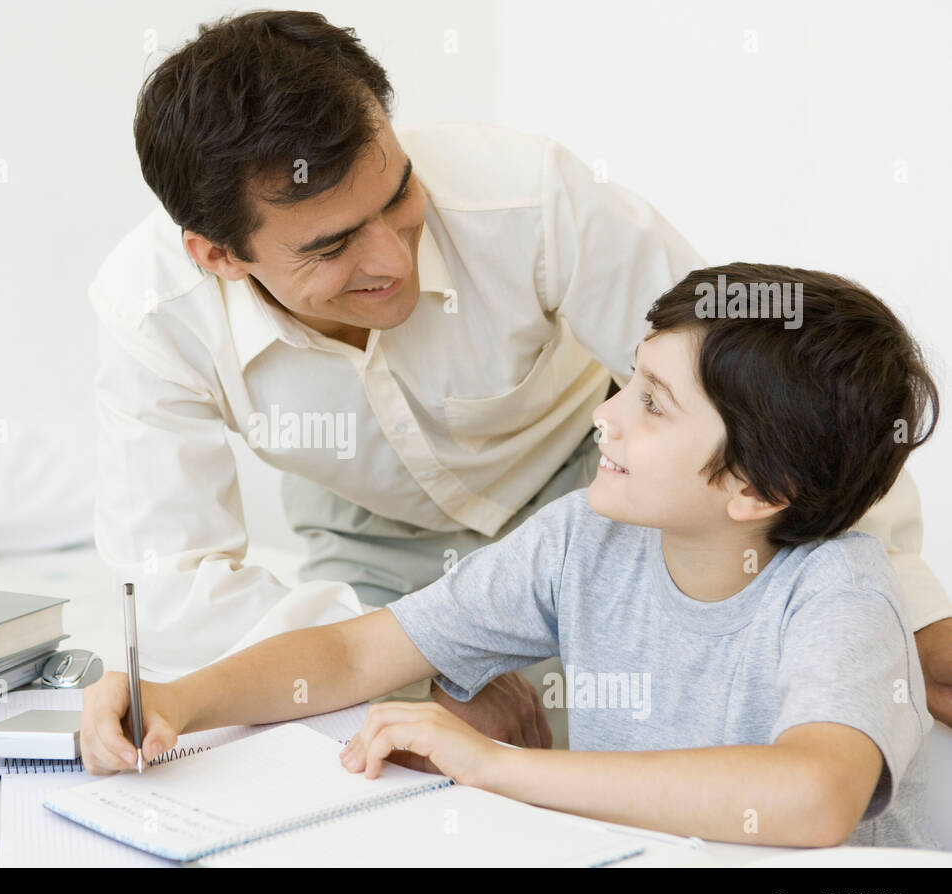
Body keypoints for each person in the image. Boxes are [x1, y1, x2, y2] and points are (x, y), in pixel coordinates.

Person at [89, 10, 952, 746]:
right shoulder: (148, 313)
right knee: (380, 759)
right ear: (218, 255)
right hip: (371, 548)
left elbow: (767, 390)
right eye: (330, 246)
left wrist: (903, 615)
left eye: (397, 196)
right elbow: (172, 588)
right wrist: (424, 678)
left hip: (599, 490)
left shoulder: (530, 197)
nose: (392, 256)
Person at [80, 263, 939, 848]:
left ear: (755, 487)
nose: (606, 416)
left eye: (654, 404)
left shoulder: (840, 592)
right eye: (626, 381)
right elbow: (355, 650)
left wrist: (505, 767)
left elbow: (816, 795)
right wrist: (178, 697)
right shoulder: (584, 539)